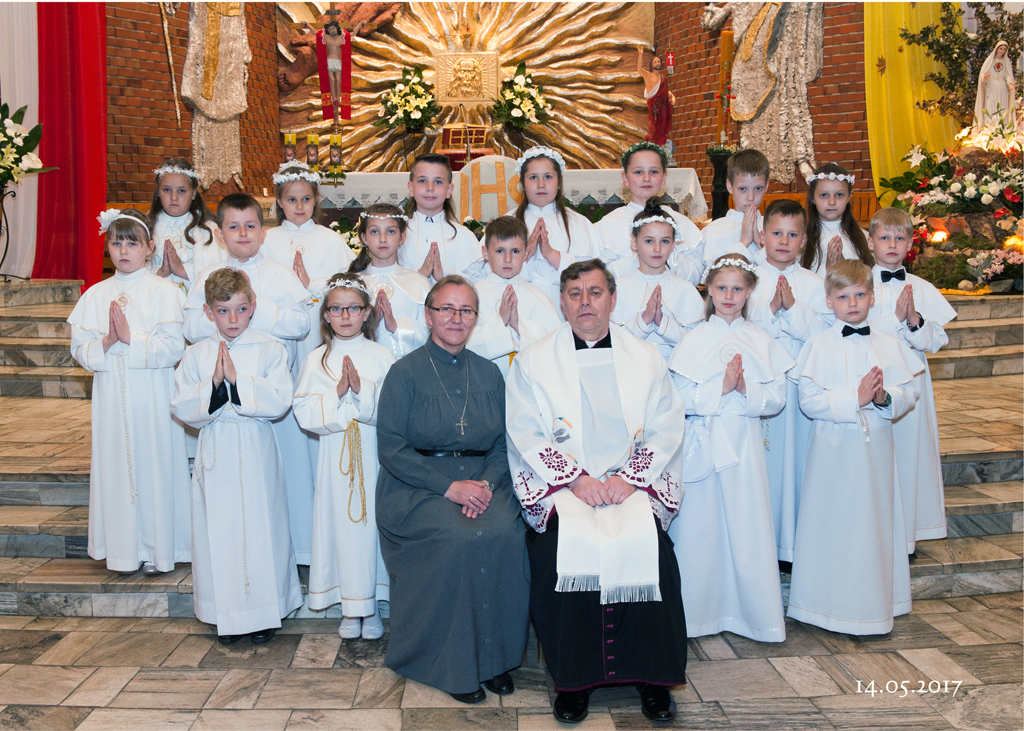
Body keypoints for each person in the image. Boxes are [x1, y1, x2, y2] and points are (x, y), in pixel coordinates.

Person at [506, 259, 688, 724]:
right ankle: (574, 681)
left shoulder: (645, 357)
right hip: (567, 487)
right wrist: (575, 478)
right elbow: (525, 430)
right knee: (559, 553)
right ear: (562, 301)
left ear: (612, 298)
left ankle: (653, 678)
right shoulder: (534, 361)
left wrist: (631, 478)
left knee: (654, 552)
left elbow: (667, 426)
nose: (585, 302)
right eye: (574, 293)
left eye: (595, 292)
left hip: (629, 484)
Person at [376, 275, 529, 704]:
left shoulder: (490, 372)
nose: (456, 318)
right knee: (459, 537)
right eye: (446, 309)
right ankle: (451, 665)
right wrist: (448, 487)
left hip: (483, 481)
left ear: (476, 319)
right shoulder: (403, 373)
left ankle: (495, 660)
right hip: (418, 487)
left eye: (466, 311)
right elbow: (391, 448)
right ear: (428, 316)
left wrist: (486, 484)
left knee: (506, 533)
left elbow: (505, 443)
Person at [171, 268, 303, 644]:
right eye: (223, 311)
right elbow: (180, 404)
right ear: (208, 311)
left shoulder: (270, 348)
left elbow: (280, 398)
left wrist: (238, 382)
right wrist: (214, 384)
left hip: (255, 445)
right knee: (219, 531)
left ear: (253, 307)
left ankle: (265, 613)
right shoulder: (196, 354)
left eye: (241, 309)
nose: (233, 319)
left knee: (263, 527)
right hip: (216, 448)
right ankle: (224, 614)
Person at [183, 193, 316, 564]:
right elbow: (191, 325)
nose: (243, 234)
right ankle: (239, 557)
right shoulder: (207, 277)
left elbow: (301, 324)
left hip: (272, 391)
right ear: (220, 233)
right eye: (233, 226)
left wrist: (255, 308)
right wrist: (229, 315)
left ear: (263, 231)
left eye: (250, 226)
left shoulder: (280, 273)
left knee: (285, 473)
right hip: (225, 401)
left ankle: (295, 552)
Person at [667, 254, 794, 642]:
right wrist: (718, 389)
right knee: (701, 527)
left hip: (744, 443)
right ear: (709, 289)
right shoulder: (693, 339)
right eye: (721, 288)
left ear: (750, 291)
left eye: (737, 288)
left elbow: (777, 398)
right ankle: (698, 614)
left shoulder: (761, 340)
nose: (728, 295)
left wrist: (745, 389)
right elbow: (678, 397)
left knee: (745, 522)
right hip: (703, 443)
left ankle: (751, 615)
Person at [787, 260, 918, 634]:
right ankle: (822, 607)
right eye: (843, 297)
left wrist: (883, 398)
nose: (853, 303)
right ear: (829, 301)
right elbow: (809, 400)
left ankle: (876, 604)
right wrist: (854, 399)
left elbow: (909, 392)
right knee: (831, 520)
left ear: (872, 298)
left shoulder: (888, 343)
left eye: (860, 295)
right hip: (832, 451)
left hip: (875, 452)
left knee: (873, 521)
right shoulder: (818, 345)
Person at [69, 208, 191, 575]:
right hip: (111, 399)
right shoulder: (95, 294)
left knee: (155, 465)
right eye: (116, 243)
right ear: (107, 247)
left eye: (132, 243)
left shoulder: (163, 291)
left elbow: (173, 348)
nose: (124, 251)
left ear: (149, 247)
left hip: (153, 396)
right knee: (116, 466)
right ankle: (122, 550)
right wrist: (107, 342)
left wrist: (130, 339)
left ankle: (159, 550)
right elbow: (80, 350)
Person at [293, 273, 395, 640]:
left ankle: (372, 606)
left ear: (367, 312)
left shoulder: (382, 356)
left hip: (374, 455)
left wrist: (361, 390)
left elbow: (395, 408)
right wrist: (337, 392)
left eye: (353, 308)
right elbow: (303, 411)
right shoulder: (316, 360)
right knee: (340, 526)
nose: (346, 316)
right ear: (326, 315)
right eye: (337, 309)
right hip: (335, 457)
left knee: (370, 528)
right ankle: (350, 608)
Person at [746, 200, 832, 563]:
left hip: (799, 391)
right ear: (762, 235)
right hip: (758, 387)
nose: (784, 241)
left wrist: (794, 309)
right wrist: (770, 311)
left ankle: (793, 546)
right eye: (777, 233)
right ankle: (760, 544)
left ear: (804, 240)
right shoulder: (746, 280)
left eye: (792, 234)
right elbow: (738, 329)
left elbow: (826, 335)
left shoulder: (815, 284)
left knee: (796, 466)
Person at [867, 207, 956, 551]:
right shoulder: (860, 284)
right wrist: (893, 320)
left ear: (909, 244)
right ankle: (875, 535)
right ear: (871, 242)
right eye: (884, 237)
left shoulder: (922, 287)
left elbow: (935, 342)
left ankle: (908, 537)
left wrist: (914, 320)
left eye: (899, 238)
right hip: (873, 378)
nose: (892, 245)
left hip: (912, 382)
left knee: (910, 453)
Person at [263, 162, 356, 372]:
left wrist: (311, 285)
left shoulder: (331, 239)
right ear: (279, 201)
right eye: (291, 200)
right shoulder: (266, 240)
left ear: (316, 199)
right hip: (280, 322)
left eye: (306, 199)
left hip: (318, 320)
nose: (299, 206)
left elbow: (347, 283)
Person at [595, 141, 703, 285]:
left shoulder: (680, 221)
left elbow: (695, 276)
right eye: (638, 172)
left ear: (664, 177)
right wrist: (638, 256)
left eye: (654, 172)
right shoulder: (609, 224)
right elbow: (602, 278)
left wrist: (671, 254)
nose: (646, 178)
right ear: (625, 178)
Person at [611, 200, 704, 360]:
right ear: (634, 242)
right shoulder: (618, 289)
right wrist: (643, 321)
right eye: (649, 241)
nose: (657, 249)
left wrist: (663, 324)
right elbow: (611, 341)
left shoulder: (686, 290)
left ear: (674, 245)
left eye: (665, 241)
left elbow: (698, 344)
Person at [467, 216, 561, 377]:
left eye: (516, 251)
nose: (508, 259)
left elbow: (556, 349)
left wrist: (519, 326)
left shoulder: (540, 298)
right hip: (482, 385)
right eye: (500, 251)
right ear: (485, 253)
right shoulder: (471, 297)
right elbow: (461, 346)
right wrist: (500, 322)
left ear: (526, 253)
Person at [349, 203, 431, 359]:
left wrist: (395, 326)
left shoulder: (419, 283)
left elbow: (429, 331)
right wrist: (370, 324)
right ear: (364, 238)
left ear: (402, 237)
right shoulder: (354, 284)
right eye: (374, 232)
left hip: (407, 366)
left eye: (391, 231)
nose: (383, 239)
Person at [147, 158, 227, 293]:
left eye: (181, 191)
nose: (174, 197)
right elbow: (137, 271)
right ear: (158, 192)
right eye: (166, 190)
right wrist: (160, 272)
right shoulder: (147, 228)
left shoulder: (208, 230)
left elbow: (217, 271)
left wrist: (181, 270)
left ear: (193, 193)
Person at [399, 154, 481, 281]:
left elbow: (478, 281)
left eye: (438, 182)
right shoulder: (397, 235)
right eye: (422, 181)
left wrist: (445, 275)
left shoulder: (464, 236)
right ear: (411, 188)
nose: (430, 188)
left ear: (449, 190)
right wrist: (419, 275)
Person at [801, 163, 873, 277]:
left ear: (849, 197)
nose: (832, 202)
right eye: (824, 195)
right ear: (812, 197)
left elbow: (871, 278)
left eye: (839, 195)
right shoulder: (802, 239)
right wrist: (829, 269)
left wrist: (845, 269)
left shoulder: (864, 238)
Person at [701, 149, 769, 265]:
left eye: (758, 188)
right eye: (743, 189)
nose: (751, 197)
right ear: (729, 186)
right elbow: (714, 274)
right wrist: (743, 243)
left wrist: (760, 244)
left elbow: (781, 271)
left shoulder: (772, 229)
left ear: (766, 186)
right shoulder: (714, 231)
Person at [974, 39, 1017, 130]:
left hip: (1002, 87)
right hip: (991, 87)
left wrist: (1010, 83)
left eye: (1004, 49)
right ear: (996, 49)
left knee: (1002, 107)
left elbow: (1008, 75)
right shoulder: (990, 61)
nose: (1002, 51)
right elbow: (982, 75)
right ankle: (990, 129)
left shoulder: (1006, 61)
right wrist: (984, 77)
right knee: (990, 106)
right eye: (1000, 49)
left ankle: (1002, 129)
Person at [637, 46, 674, 146]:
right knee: (654, 126)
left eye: (658, 62)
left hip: (663, 107)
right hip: (654, 106)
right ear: (652, 65)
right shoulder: (648, 75)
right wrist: (640, 54)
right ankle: (652, 144)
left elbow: (666, 91)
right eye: (655, 62)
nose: (657, 63)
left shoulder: (663, 77)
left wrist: (672, 97)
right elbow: (639, 69)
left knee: (663, 127)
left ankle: (660, 145)